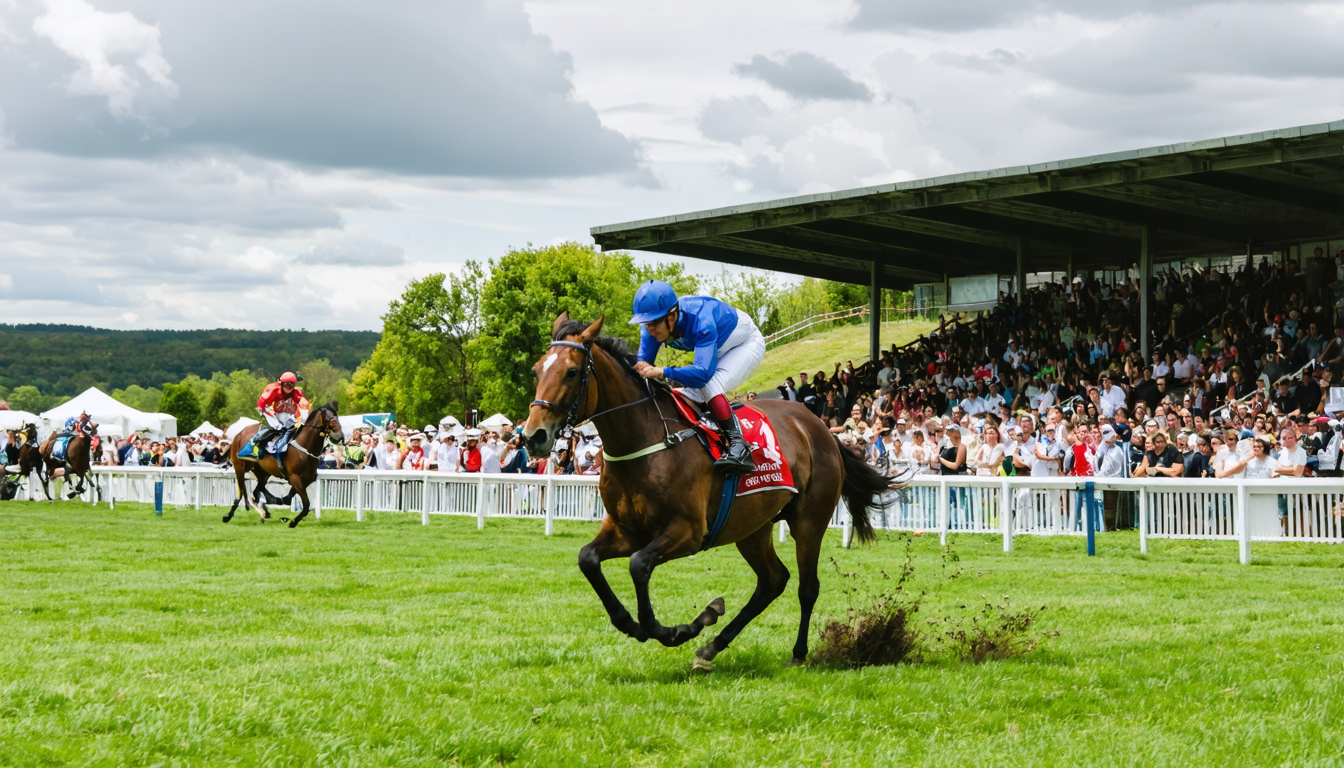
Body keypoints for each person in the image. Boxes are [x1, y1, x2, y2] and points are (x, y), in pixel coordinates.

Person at [630, 279, 766, 474]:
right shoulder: (651, 328)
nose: (651, 330)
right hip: (717, 347)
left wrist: (662, 371)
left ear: (672, 316)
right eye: (646, 324)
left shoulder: (701, 319)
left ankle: (739, 445)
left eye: (654, 323)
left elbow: (702, 374)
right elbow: (641, 370)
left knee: (710, 384)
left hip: (745, 344)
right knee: (684, 395)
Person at [254, 372, 311, 457]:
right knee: (276, 427)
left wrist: (305, 414)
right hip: (272, 412)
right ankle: (257, 443)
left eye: (291, 386)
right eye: (286, 385)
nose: (288, 388)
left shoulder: (297, 392)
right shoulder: (272, 389)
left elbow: (303, 403)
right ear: (281, 384)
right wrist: (262, 411)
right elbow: (262, 403)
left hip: (288, 416)